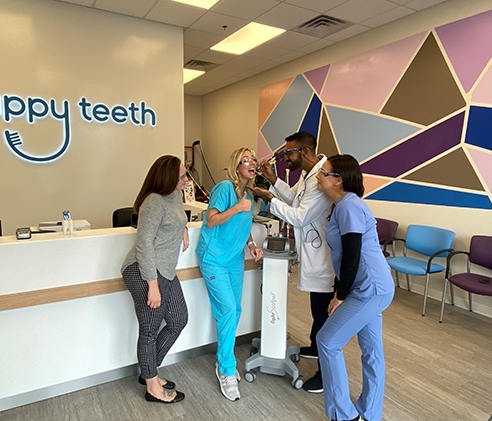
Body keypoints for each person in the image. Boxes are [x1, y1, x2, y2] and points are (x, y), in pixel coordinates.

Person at [250, 131, 335, 393]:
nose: (286, 158)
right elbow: (294, 198)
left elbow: (299, 216)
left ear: (306, 152)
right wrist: (274, 182)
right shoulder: (309, 176)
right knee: (317, 309)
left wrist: (269, 198)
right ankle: (314, 345)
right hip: (313, 253)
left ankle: (325, 373)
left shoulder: (321, 178)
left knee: (324, 314)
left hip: (323, 256)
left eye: (289, 153)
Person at [315, 154, 395, 421]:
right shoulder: (343, 204)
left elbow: (352, 253)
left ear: (338, 180)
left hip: (369, 288)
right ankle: (370, 414)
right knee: (372, 351)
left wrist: (340, 295)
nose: (318, 176)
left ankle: (344, 415)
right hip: (374, 285)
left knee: (326, 341)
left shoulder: (348, 206)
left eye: (323, 173)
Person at [121, 155, 190, 404]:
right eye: (182, 176)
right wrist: (152, 285)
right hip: (143, 270)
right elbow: (144, 245)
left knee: (178, 319)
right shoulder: (153, 202)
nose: (186, 179)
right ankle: (152, 386)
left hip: (166, 270)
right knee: (149, 330)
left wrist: (183, 231)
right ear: (168, 178)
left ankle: (149, 370)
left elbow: (177, 217)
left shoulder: (176, 195)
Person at [196, 147, 263, 402]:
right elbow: (211, 220)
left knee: (235, 311)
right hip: (214, 259)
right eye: (245, 159)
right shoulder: (225, 188)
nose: (252, 162)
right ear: (237, 167)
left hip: (234, 259)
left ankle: (225, 360)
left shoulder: (247, 194)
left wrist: (252, 245)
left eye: (253, 158)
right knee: (226, 312)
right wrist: (238, 208)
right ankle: (225, 369)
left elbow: (242, 227)